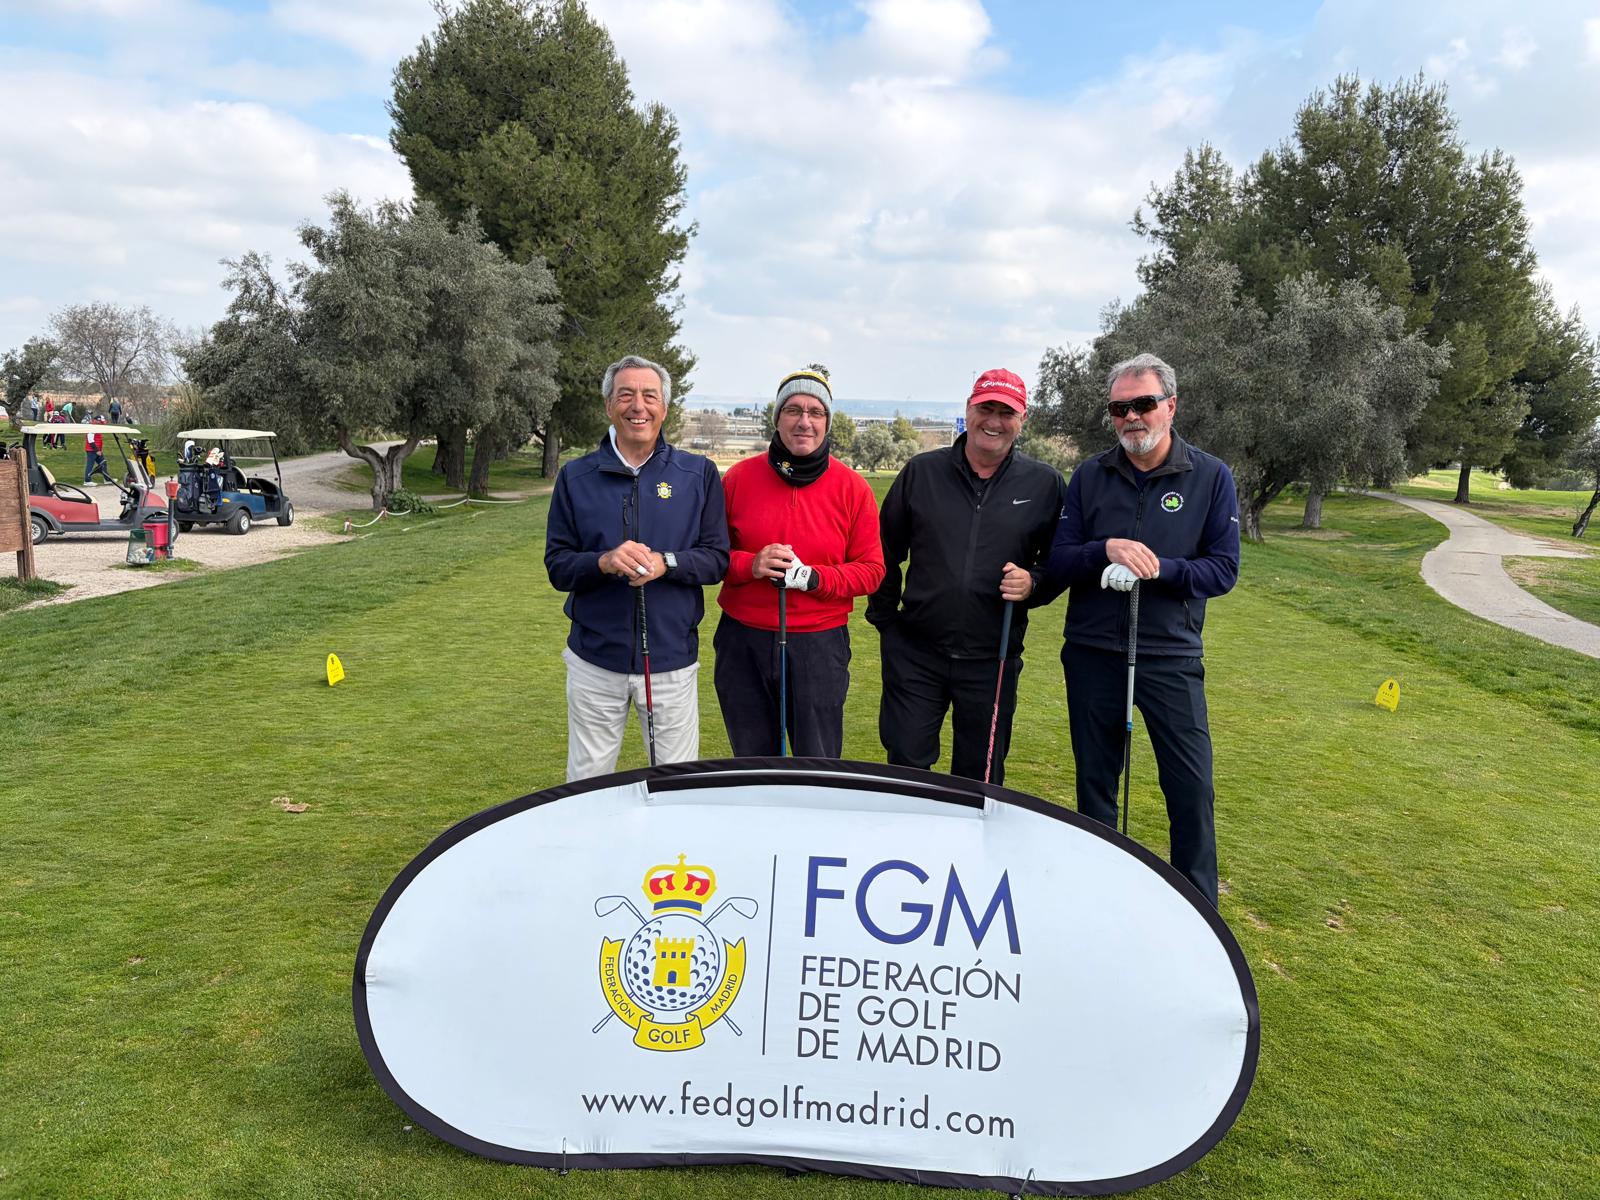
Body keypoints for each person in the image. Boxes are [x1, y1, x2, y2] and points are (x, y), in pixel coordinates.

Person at [1044, 353, 1240, 906]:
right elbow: (1060, 560)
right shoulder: (1090, 475)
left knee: (1190, 787)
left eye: (1144, 404)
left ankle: (1199, 913)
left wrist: (1157, 569)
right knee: (1096, 786)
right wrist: (1104, 550)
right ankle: (1098, 899)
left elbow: (1222, 570)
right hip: (1092, 650)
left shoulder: (1210, 476)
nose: (1131, 416)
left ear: (1170, 406)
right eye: (1119, 408)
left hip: (1170, 654)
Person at [866, 368, 1066, 785]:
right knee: (906, 770)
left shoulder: (1044, 483)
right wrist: (887, 622)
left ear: (1022, 419)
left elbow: (1059, 561)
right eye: (985, 409)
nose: (994, 421)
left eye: (1006, 413)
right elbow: (884, 551)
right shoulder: (922, 472)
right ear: (969, 409)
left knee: (980, 780)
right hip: (916, 653)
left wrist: (1033, 583)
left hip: (993, 658)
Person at [544, 354, 729, 781]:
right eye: (625, 395)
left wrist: (667, 562)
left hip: (670, 661)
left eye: (649, 395)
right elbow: (558, 565)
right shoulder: (576, 476)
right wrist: (604, 561)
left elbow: (716, 558)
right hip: (595, 662)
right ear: (609, 405)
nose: (638, 406)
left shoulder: (697, 473)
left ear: (665, 407)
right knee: (588, 784)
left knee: (675, 785)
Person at [714, 366, 883, 757]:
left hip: (819, 645)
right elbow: (711, 556)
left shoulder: (853, 488)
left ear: (826, 422)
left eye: (815, 412)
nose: (804, 421)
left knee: (817, 763)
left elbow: (872, 570)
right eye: (792, 410)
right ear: (777, 419)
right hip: (743, 641)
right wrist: (751, 565)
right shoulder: (738, 478)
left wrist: (813, 578)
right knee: (753, 763)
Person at [84, 420, 114, 485]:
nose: (102, 424)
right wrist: (97, 450)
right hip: (92, 450)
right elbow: (90, 440)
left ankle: (107, 479)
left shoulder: (97, 428)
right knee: (90, 465)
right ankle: (87, 481)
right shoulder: (92, 429)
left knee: (103, 463)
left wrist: (98, 450)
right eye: (101, 423)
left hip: (97, 450)